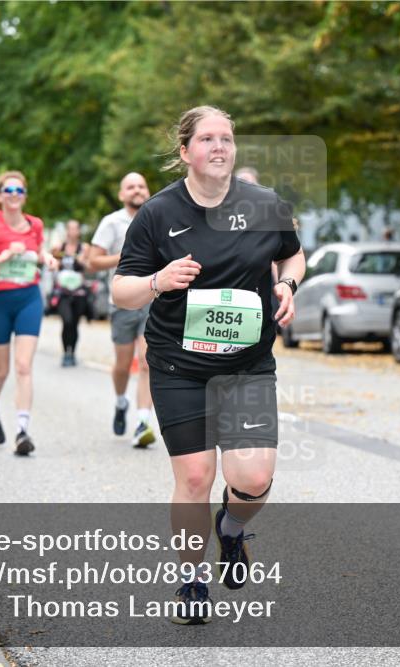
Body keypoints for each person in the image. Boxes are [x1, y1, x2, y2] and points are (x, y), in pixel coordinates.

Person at [113, 106, 305, 624]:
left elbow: (294, 254)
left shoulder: (266, 206)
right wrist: (159, 280)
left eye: (227, 138)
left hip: (247, 365)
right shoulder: (157, 214)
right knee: (196, 476)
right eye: (207, 139)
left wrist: (287, 284)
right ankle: (193, 582)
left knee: (254, 479)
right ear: (185, 152)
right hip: (179, 365)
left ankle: (233, 529)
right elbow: (122, 291)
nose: (219, 147)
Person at [0, 170, 57, 456]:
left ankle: (22, 431)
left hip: (28, 299)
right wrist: (3, 257)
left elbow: (40, 253)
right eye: (8, 190)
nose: (14, 195)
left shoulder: (35, 225)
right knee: (2, 369)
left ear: (24, 196)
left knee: (23, 366)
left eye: (19, 190)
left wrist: (47, 258)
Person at [88, 173, 157, 448]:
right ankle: (120, 401)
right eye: (130, 186)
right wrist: (128, 254)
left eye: (141, 185)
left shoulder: (157, 217)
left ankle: (142, 423)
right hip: (122, 302)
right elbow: (92, 261)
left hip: (153, 299)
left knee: (147, 361)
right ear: (121, 194)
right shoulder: (111, 222)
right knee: (122, 365)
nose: (137, 190)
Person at [51, 220, 89, 367]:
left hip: (79, 292)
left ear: (79, 231)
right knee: (66, 321)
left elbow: (89, 266)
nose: (73, 231)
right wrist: (56, 260)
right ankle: (65, 353)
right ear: (67, 231)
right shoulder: (59, 248)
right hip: (63, 292)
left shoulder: (84, 248)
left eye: (75, 228)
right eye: (70, 228)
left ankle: (72, 353)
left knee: (74, 323)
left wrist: (82, 260)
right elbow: (52, 264)